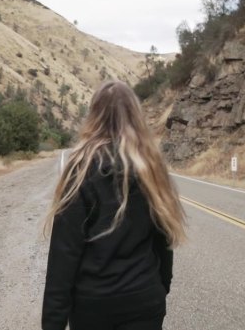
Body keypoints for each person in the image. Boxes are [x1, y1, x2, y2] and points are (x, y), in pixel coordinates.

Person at [42, 80, 186, 330]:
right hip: (145, 300)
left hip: (93, 308)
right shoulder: (151, 168)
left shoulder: (81, 169)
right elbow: (164, 242)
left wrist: (52, 323)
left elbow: (63, 256)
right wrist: (161, 287)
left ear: (94, 115)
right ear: (135, 116)